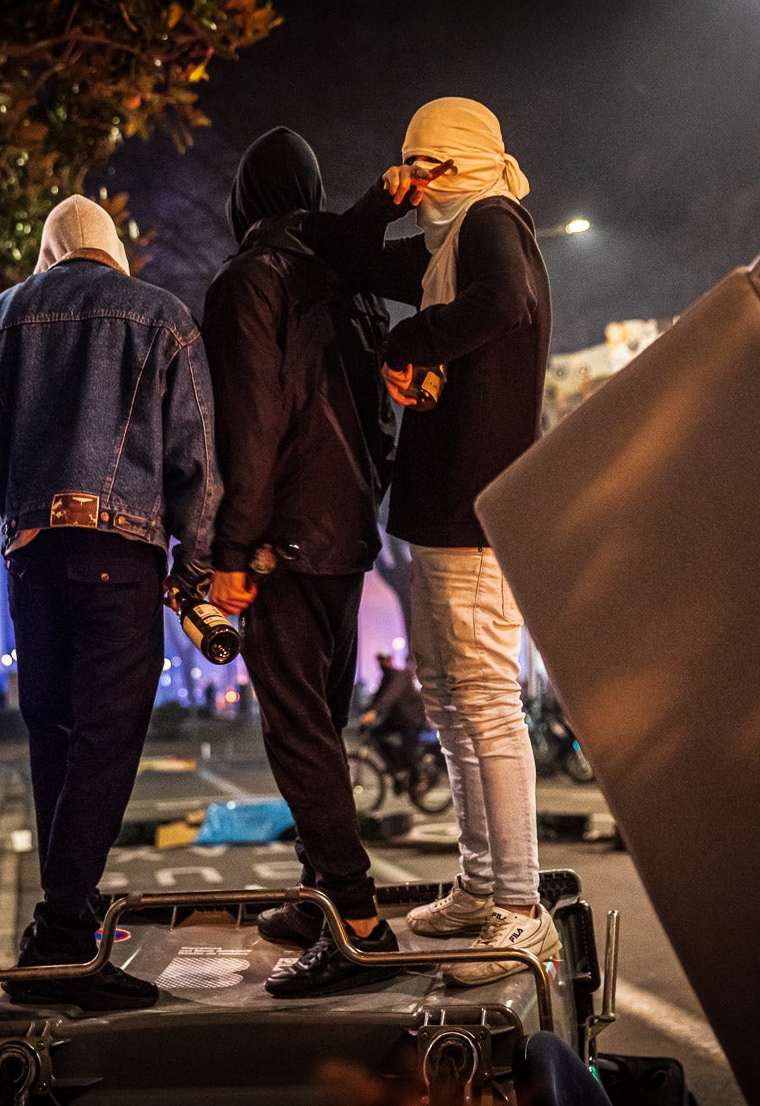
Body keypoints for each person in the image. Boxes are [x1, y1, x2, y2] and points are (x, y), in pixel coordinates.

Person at [0, 194, 219, 1011]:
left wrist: (11, 363)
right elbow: (196, 453)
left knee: (51, 732)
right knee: (108, 734)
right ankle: (61, 936)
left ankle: (71, 925)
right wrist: (199, 565)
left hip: (30, 556)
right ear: (115, 252)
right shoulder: (161, 316)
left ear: (46, 255)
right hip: (119, 553)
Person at [305, 97, 558, 986]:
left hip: (476, 507)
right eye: (411, 165)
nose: (423, 182)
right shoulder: (445, 238)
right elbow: (343, 257)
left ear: (468, 162)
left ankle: (522, 910)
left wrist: (412, 339)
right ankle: (482, 881)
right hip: (438, 502)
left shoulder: (492, 221)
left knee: (487, 700)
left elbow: (509, 303)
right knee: (449, 699)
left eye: (430, 165)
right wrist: (384, 196)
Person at [204, 127, 400, 998]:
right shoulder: (353, 290)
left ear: (246, 201)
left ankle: (358, 926)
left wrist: (233, 548)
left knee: (297, 729)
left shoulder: (249, 280)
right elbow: (384, 427)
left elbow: (251, 425)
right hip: (348, 536)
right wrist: (357, 512)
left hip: (281, 539)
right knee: (325, 716)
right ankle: (320, 893)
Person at [361, 651, 426, 773]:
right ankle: (396, 763)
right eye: (380, 660)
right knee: (374, 734)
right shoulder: (385, 679)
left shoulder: (401, 675)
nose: (382, 663)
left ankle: (417, 781)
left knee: (409, 751)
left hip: (411, 719)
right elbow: (377, 698)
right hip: (397, 718)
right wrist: (368, 711)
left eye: (385, 660)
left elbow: (391, 694)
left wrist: (375, 711)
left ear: (390, 660)